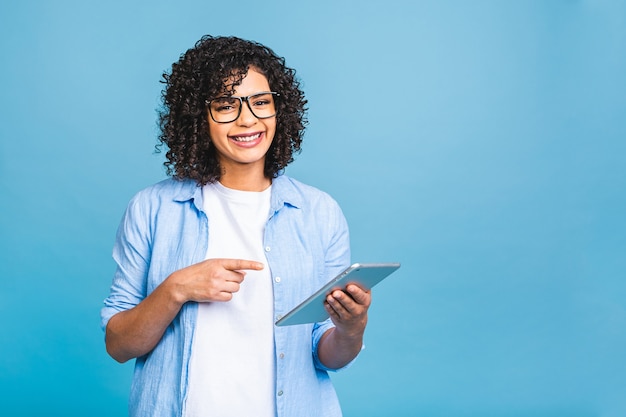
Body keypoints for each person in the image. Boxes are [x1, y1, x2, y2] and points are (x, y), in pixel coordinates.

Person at [100, 35, 371, 417]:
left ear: (280, 109)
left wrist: (351, 329)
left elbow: (325, 355)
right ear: (198, 117)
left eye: (261, 102)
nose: (248, 119)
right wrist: (175, 289)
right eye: (226, 106)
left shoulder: (318, 212)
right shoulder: (152, 208)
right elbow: (118, 345)